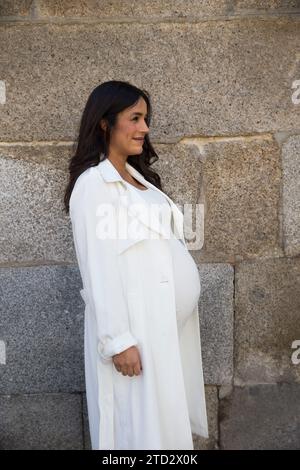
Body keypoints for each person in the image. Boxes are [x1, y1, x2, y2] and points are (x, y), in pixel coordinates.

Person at [64, 80, 209, 450]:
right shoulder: (94, 185)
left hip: (162, 332)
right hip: (135, 337)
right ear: (104, 123)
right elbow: (97, 267)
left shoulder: (139, 179)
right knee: (135, 433)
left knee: (164, 432)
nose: (145, 128)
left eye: (146, 118)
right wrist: (118, 341)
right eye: (135, 118)